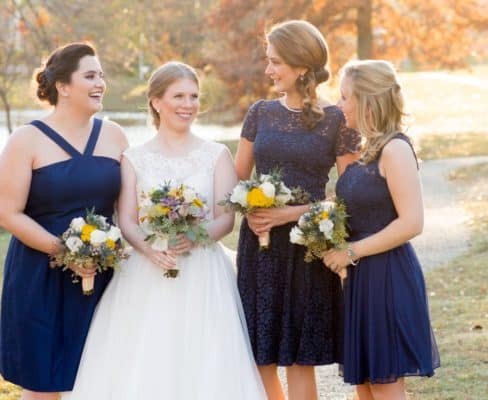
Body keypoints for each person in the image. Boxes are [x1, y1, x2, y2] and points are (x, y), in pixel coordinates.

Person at [62, 61, 267, 400]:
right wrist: (149, 249)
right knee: (145, 355)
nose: (188, 105)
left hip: (202, 269)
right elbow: (126, 219)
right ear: (157, 102)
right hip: (146, 266)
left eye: (194, 96)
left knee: (205, 356)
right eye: (178, 96)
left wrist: (194, 237)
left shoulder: (217, 155)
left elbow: (224, 219)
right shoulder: (134, 157)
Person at [235, 20, 361, 400]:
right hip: (259, 246)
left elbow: (350, 194)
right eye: (268, 61)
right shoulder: (259, 112)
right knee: (259, 356)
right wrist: (249, 205)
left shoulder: (337, 121)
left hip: (305, 246)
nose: (268, 69)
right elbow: (236, 176)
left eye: (276, 62)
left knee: (298, 360)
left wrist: (290, 214)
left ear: (302, 66)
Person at [0, 43, 128, 399]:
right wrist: (65, 251)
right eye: (90, 75)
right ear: (63, 86)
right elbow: (7, 212)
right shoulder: (26, 140)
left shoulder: (115, 135)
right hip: (40, 276)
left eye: (101, 75)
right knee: (43, 383)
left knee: (100, 377)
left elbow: (127, 209)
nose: (100, 82)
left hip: (103, 275)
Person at [323, 59, 440, 400]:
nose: (339, 105)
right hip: (362, 278)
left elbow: (412, 222)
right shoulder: (366, 149)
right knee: (366, 385)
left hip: (388, 276)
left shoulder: (395, 149)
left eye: (345, 97)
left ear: (367, 100)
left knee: (385, 385)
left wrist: (351, 251)